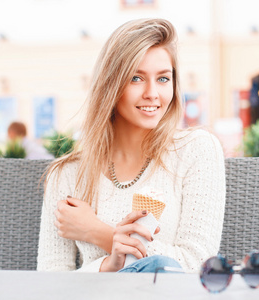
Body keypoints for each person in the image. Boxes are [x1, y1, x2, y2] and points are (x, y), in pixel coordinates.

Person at [37, 18, 226, 273]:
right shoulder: (68, 175)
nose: (152, 93)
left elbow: (195, 266)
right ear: (110, 85)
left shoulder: (196, 151)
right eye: (136, 78)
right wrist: (106, 265)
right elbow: (50, 283)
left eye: (163, 79)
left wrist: (98, 232)